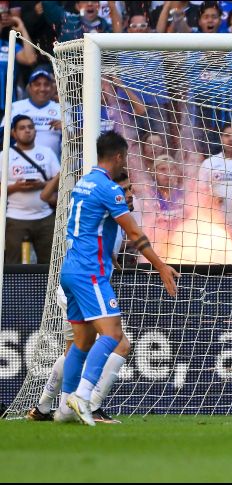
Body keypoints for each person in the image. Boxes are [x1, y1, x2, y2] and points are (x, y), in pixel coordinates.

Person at [56, 131, 178, 427]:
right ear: (119, 156)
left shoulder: (82, 184)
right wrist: (161, 267)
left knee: (82, 342)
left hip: (70, 269)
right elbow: (135, 235)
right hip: (89, 272)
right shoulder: (109, 190)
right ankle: (82, 396)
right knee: (112, 335)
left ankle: (63, 408)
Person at [27, 173, 135, 424]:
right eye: (124, 189)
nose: (129, 194)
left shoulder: (112, 218)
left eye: (131, 189)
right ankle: (91, 405)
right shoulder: (105, 212)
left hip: (77, 284)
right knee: (118, 343)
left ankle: (43, 408)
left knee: (76, 349)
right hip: (82, 284)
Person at [3, 115, 60, 264]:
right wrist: (16, 187)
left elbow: (60, 180)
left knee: (49, 264)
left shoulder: (47, 152)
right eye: (22, 128)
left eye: (30, 127)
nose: (27, 131)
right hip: (15, 218)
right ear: (13, 133)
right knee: (13, 265)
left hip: (45, 218)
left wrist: (41, 185)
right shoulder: (4, 155)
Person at [3, 68, 61, 157]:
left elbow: (78, 139)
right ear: (29, 88)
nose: (42, 89)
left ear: (52, 88)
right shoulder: (15, 107)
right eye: (37, 84)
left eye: (46, 84)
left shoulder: (62, 109)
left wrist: (66, 129)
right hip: (20, 163)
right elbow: (2, 134)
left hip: (53, 166)